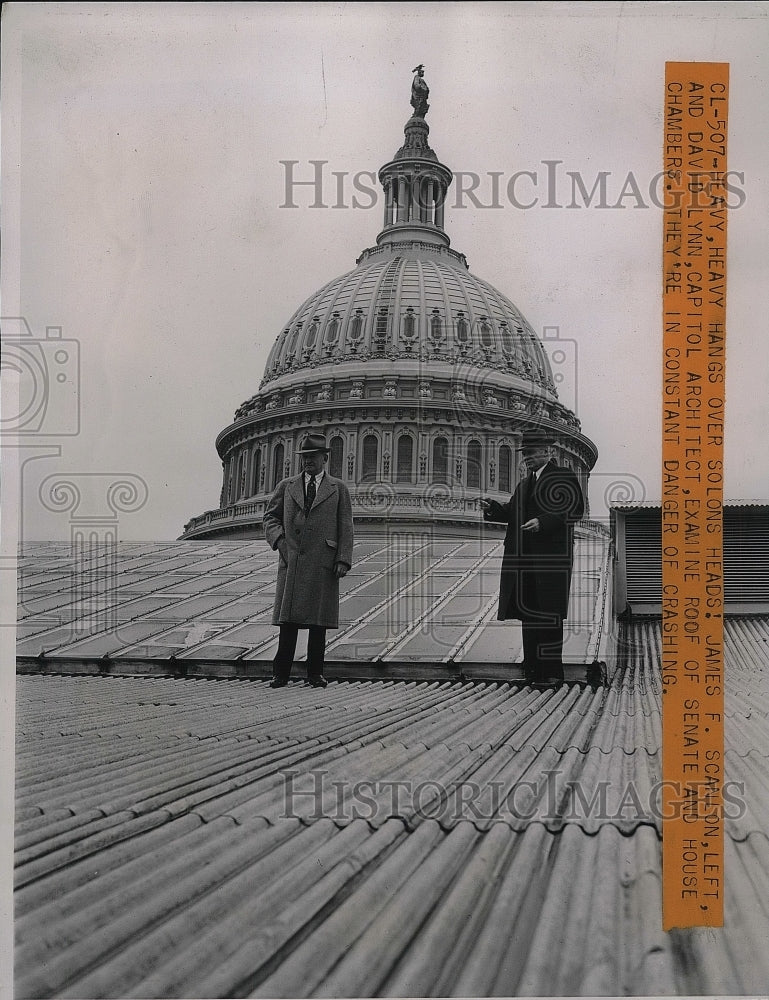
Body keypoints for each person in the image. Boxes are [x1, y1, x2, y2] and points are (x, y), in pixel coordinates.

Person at [480, 430, 584, 686]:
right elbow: (513, 512)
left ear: (547, 452)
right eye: (524, 454)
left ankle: (551, 674)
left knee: (548, 615)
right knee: (529, 615)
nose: (526, 458)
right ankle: (533, 672)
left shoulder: (563, 477)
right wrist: (493, 508)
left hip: (549, 559)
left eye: (530, 453)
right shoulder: (525, 484)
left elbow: (573, 509)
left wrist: (543, 522)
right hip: (523, 559)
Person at [263, 433, 354, 688]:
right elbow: (270, 518)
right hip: (292, 560)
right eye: (304, 458)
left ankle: (315, 674)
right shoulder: (287, 486)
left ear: (324, 458)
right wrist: (280, 542)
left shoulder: (338, 489)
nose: (307, 462)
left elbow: (346, 526)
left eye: (312, 457)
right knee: (288, 623)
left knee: (318, 623)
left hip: (322, 561)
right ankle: (280, 674)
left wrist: (343, 559)